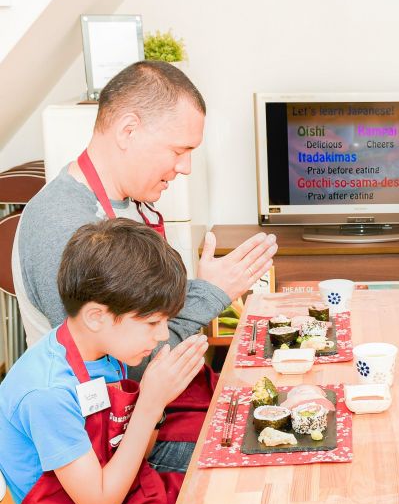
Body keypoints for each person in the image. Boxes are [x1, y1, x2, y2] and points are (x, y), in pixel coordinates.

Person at [11, 60, 277, 472]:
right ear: (128, 131)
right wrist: (210, 294)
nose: (186, 167)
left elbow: (142, 318)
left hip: (148, 414)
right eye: (179, 150)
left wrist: (200, 288)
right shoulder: (63, 225)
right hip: (106, 447)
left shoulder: (126, 204)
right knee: (267, 453)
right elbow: (134, 359)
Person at [0, 218, 208, 504]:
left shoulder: (103, 351)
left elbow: (132, 451)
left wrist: (158, 405)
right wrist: (150, 404)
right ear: (97, 316)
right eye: (152, 323)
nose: (163, 335)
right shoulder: (47, 393)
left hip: (128, 498)